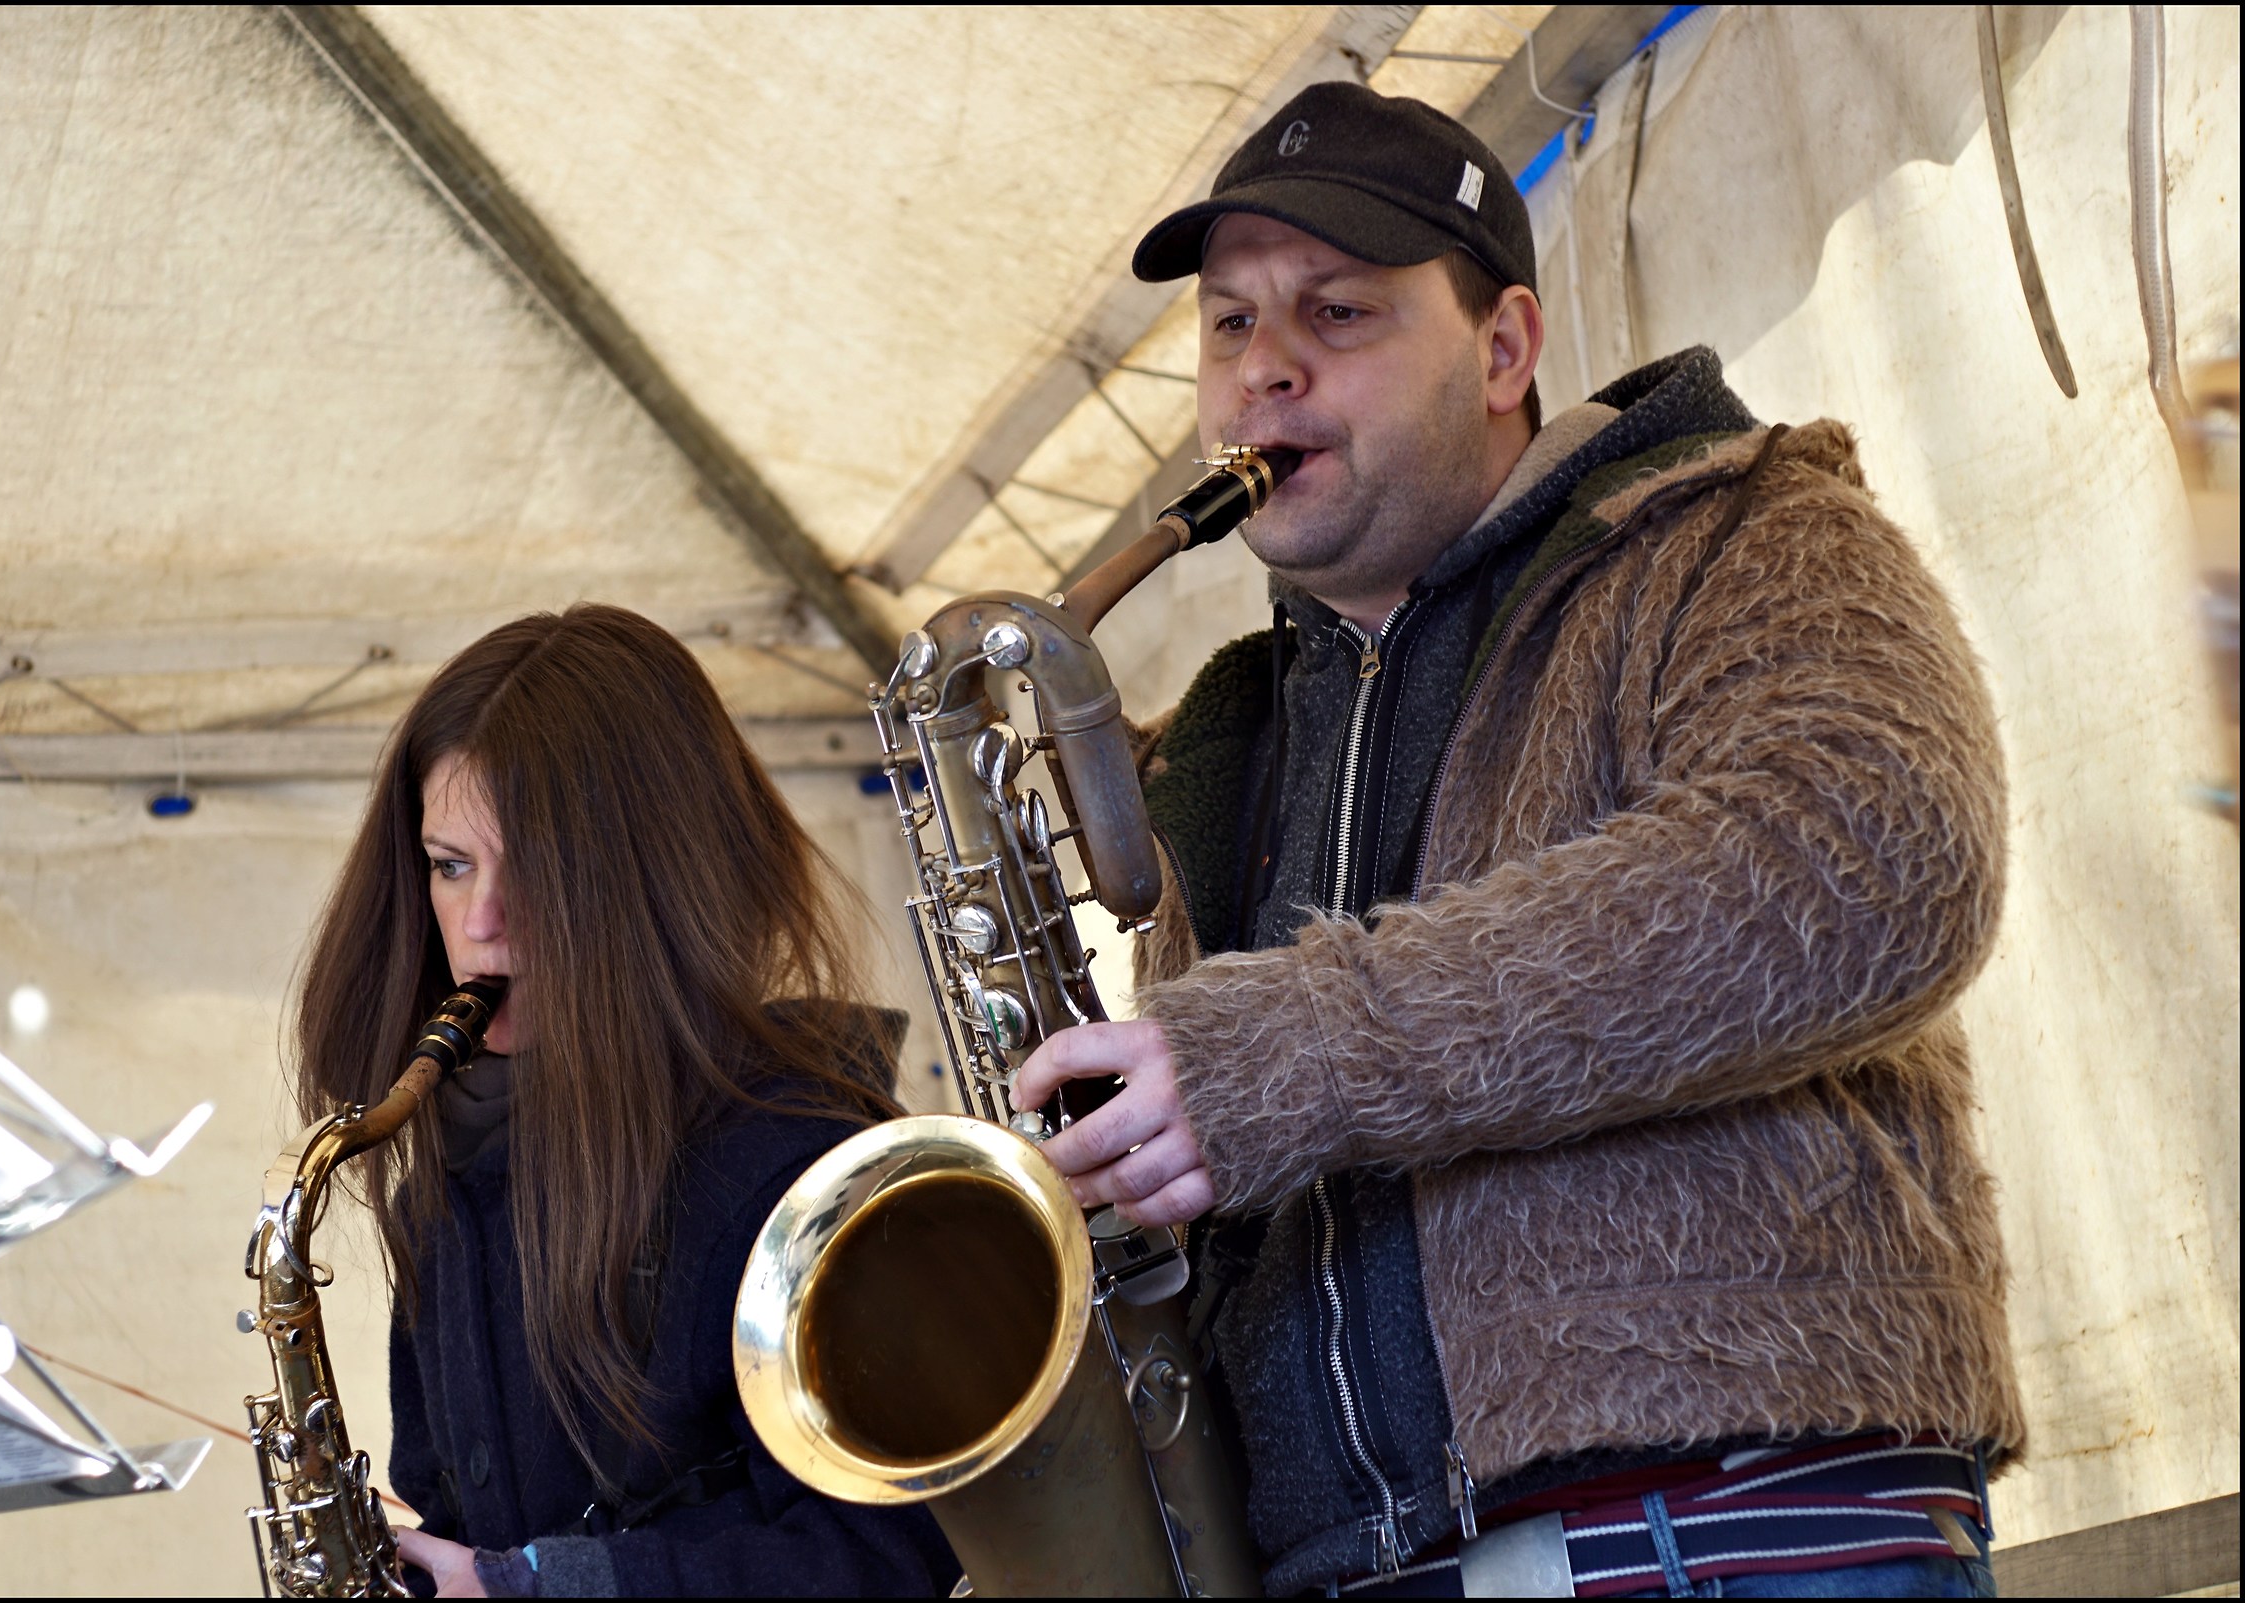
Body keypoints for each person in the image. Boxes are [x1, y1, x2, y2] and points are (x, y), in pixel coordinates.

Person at [1015, 83, 2018, 1597]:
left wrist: (1277, 1055)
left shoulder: (1744, 532)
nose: (1262, 371)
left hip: (1725, 1536)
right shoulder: (1239, 733)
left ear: (1504, 348)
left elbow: (1871, 860)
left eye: (1336, 312)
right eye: (1227, 325)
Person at [291, 604, 959, 1598]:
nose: (481, 925)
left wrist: (539, 1585)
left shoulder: (794, 1160)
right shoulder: (443, 1177)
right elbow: (475, 1525)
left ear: (651, 878)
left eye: (538, 868)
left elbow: (900, 1555)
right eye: (450, 864)